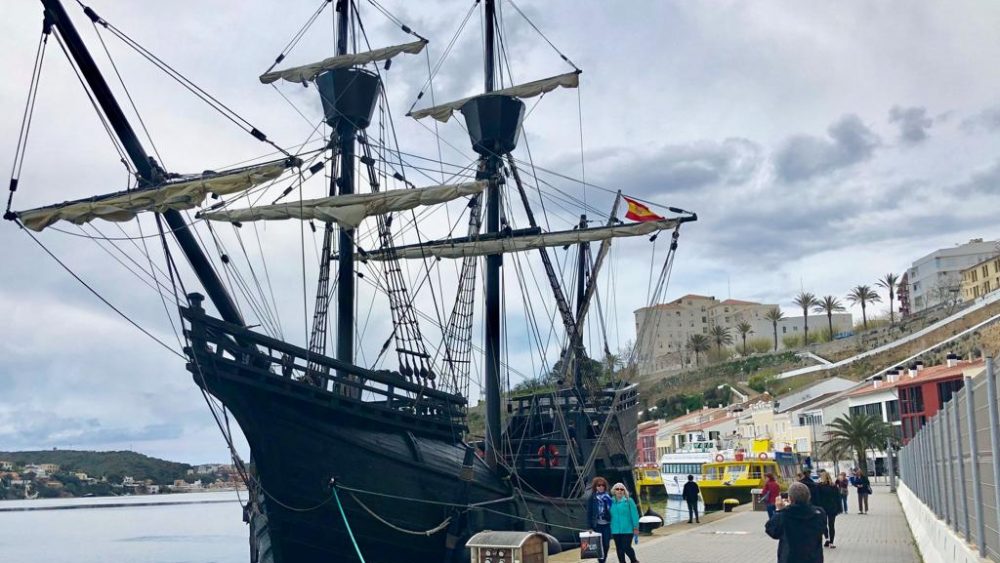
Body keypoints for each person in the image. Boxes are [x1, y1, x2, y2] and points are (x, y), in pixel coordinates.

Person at [765, 482, 828, 563]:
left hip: (790, 558)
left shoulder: (784, 515)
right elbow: (822, 527)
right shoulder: (819, 513)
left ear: (790, 499)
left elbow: (772, 531)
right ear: (809, 497)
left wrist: (779, 510)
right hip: (813, 558)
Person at [609, 482, 640, 563]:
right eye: (617, 489)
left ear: (624, 491)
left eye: (621, 489)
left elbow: (635, 515)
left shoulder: (629, 501)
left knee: (626, 547)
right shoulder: (610, 501)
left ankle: (634, 560)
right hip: (615, 529)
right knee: (619, 548)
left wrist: (636, 527)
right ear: (614, 491)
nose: (619, 491)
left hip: (628, 529)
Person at [586, 477, 613, 563]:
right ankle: (601, 561)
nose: (601, 487)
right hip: (597, 525)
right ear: (595, 487)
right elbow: (589, 513)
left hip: (607, 524)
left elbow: (613, 511)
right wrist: (589, 527)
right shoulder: (592, 498)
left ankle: (603, 560)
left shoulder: (609, 497)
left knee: (606, 544)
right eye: (599, 485)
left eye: (603, 485)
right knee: (599, 545)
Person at [815, 470, 842, 548]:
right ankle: (831, 542)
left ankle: (827, 538)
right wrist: (839, 508)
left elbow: (817, 498)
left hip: (823, 508)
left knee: (823, 524)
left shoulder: (819, 487)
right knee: (831, 525)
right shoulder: (834, 487)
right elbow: (838, 498)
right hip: (832, 508)